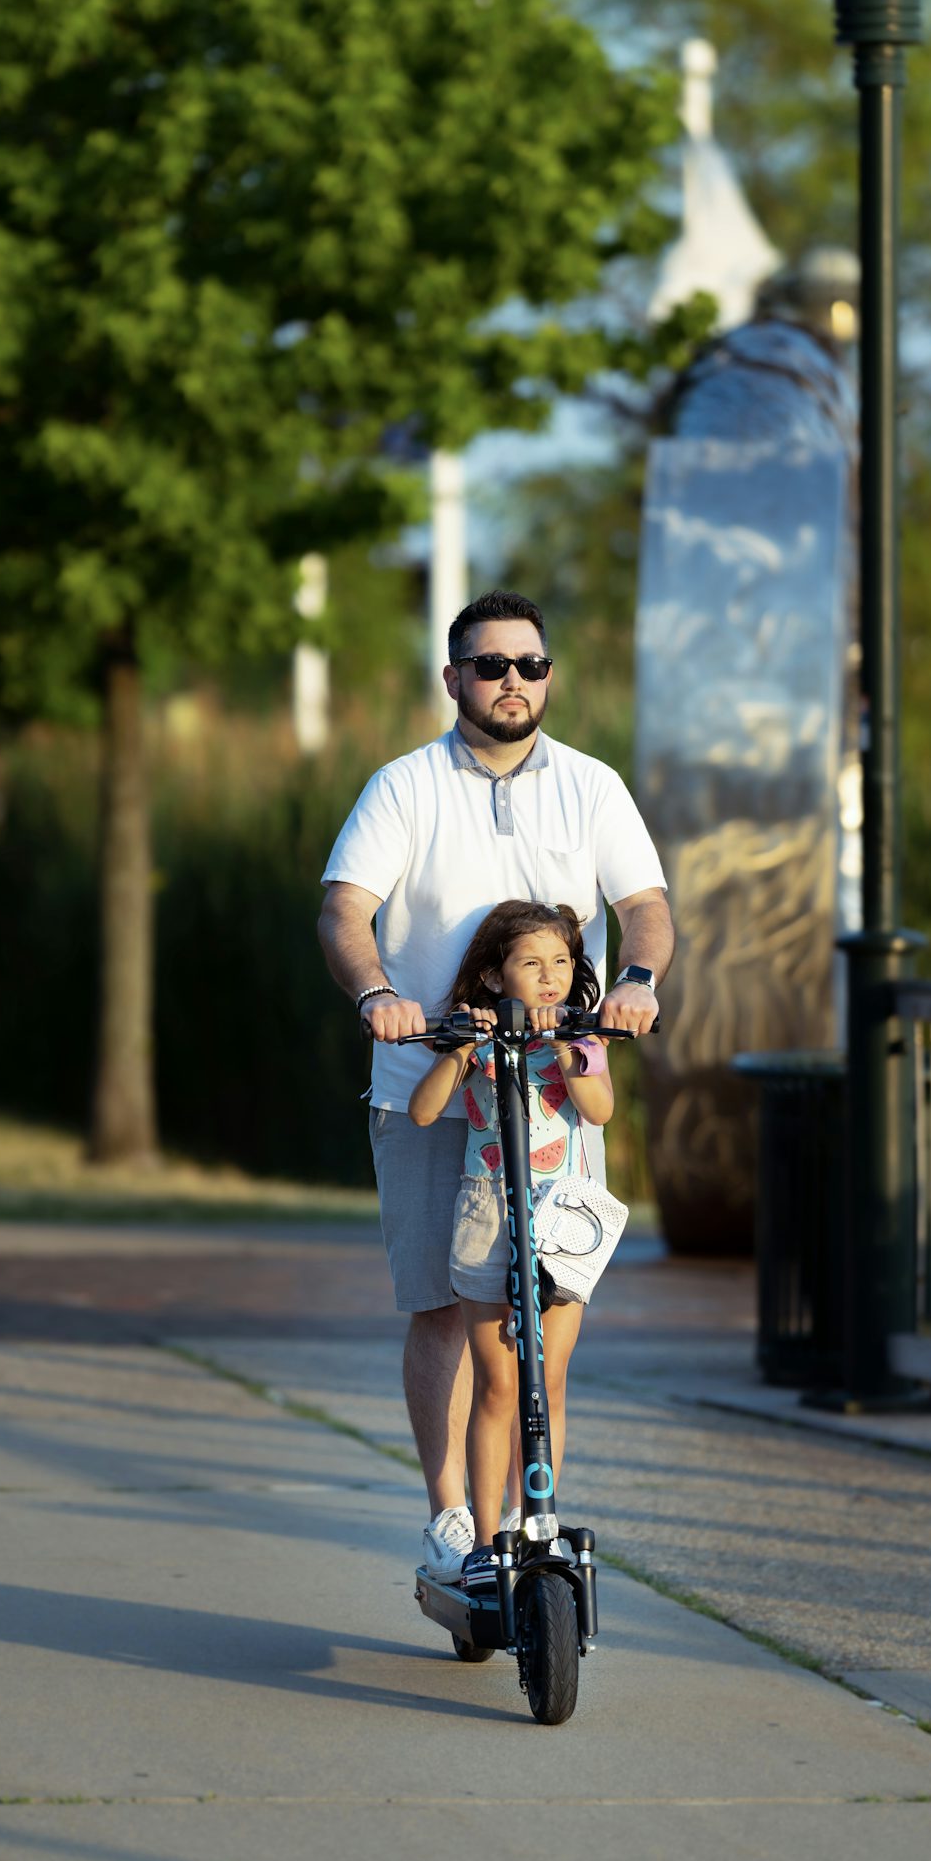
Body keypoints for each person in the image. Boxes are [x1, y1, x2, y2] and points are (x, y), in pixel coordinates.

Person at [317, 588, 672, 1579]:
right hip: (432, 1087)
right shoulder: (404, 786)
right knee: (440, 1307)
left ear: (547, 675)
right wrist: (379, 991)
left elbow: (643, 907)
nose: (510, 681)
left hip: (553, 1099)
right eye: (489, 665)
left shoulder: (591, 786)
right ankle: (450, 1522)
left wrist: (636, 981)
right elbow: (346, 910)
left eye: (529, 664)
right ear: (453, 678)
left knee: (546, 1329)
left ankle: (522, 1519)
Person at [408, 900, 614, 1588]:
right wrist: (465, 1048)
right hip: (489, 1218)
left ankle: (539, 1523)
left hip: (562, 1223)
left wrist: (565, 1044)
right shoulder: (477, 1038)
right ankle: (490, 1540)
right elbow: (425, 1109)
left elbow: (599, 1108)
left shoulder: (582, 1040)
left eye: (562, 963)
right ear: (496, 977)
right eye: (532, 964)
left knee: (548, 1379)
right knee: (497, 1385)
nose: (551, 976)